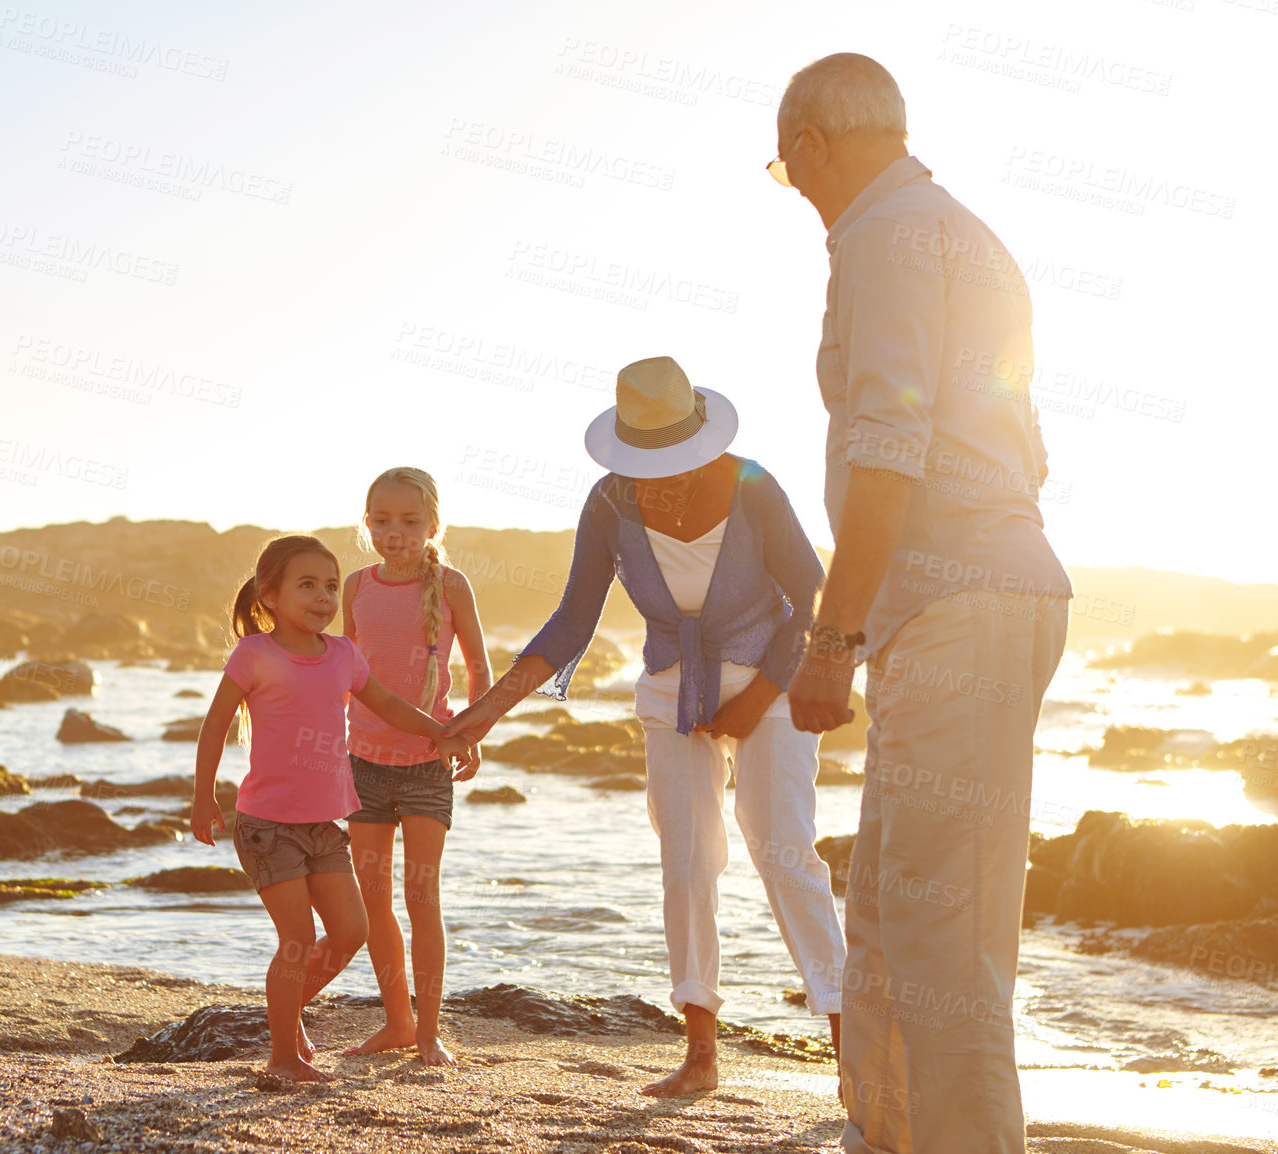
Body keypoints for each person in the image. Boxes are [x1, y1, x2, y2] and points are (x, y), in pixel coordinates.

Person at [768, 54, 1073, 1154]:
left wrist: (828, 640)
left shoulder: (889, 237)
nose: (793, 189)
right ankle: (882, 1136)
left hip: (961, 601)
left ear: (812, 141)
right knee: (890, 919)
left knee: (944, 944)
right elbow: (1018, 440)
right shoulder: (949, 232)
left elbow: (888, 447)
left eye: (784, 164)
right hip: (954, 600)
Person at [445, 356, 846, 1098]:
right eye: (650, 460)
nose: (664, 473)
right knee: (687, 859)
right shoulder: (609, 502)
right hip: (672, 689)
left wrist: (756, 700)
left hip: (773, 676)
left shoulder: (752, 484)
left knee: (781, 847)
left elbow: (813, 596)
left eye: (678, 457)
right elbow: (572, 620)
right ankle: (700, 1052)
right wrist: (483, 714)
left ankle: (851, 1043)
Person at [190, 534, 477, 1083]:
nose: (323, 597)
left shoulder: (343, 654)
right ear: (269, 595)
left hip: (324, 826)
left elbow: (390, 706)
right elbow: (214, 726)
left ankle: (287, 1010)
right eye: (307, 585)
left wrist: (443, 732)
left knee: (351, 929)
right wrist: (204, 797)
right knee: (295, 940)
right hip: (268, 826)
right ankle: (283, 1058)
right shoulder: (254, 654)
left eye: (328, 585)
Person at [340, 467, 493, 1067]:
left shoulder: (452, 586)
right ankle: (397, 1024)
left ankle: (430, 1033)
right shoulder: (354, 586)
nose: (392, 533)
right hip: (362, 764)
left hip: (429, 762)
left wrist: (472, 730)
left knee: (421, 895)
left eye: (408, 521)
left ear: (433, 524)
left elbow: (480, 667)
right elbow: (343, 674)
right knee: (374, 898)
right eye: (380, 521)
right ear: (367, 522)